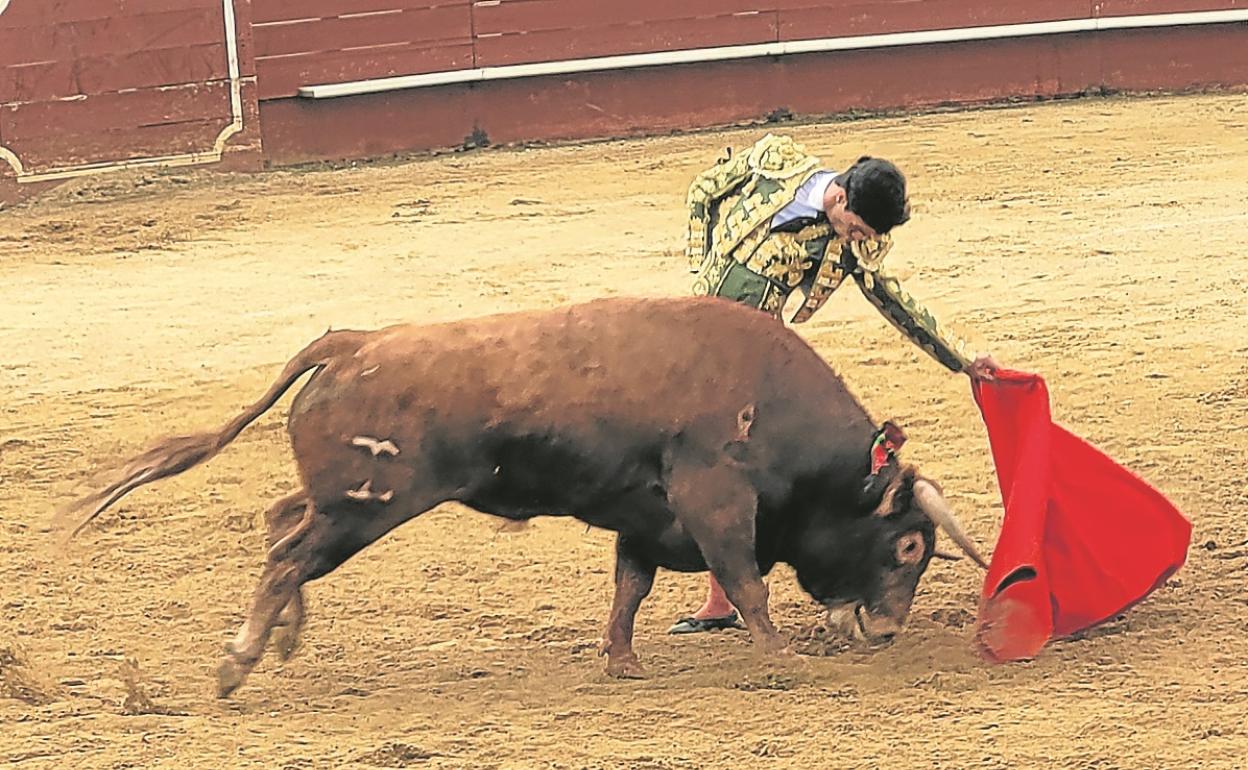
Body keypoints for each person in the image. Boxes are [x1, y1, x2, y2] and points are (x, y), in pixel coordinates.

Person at [668, 132, 1001, 634]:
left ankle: (721, 600)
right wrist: (700, 263)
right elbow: (703, 192)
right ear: (839, 197)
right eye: (856, 228)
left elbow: (894, 301)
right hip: (691, 333)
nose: (858, 240)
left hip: (748, 363)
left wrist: (961, 359)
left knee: (733, 466)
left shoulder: (852, 246)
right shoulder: (775, 160)